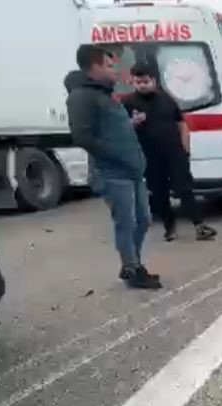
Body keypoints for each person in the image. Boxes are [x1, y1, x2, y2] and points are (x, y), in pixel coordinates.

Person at [65, 45, 160, 290]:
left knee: (143, 220)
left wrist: (131, 124)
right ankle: (132, 268)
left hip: (132, 170)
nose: (115, 71)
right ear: (95, 66)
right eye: (109, 66)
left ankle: (132, 263)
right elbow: (83, 137)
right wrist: (118, 156)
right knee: (126, 223)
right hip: (112, 173)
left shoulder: (106, 94)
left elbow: (112, 130)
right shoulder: (81, 96)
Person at [123, 62, 217, 243]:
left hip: (174, 153)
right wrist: (132, 123)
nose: (142, 85)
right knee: (159, 194)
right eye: (138, 82)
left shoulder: (166, 99)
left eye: (145, 82)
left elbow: (181, 123)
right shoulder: (128, 102)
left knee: (185, 189)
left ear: (153, 80)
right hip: (149, 156)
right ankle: (169, 228)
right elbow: (120, 128)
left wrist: (185, 148)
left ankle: (200, 226)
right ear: (132, 81)